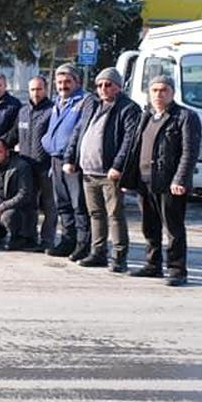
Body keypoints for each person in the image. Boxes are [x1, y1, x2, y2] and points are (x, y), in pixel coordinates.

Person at [122, 75, 202, 286]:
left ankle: (177, 269)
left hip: (170, 183)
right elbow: (135, 147)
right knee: (150, 226)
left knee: (173, 228)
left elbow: (189, 152)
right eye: (155, 90)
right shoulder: (146, 115)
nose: (159, 94)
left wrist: (180, 179)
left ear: (172, 93)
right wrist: (129, 177)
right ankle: (153, 264)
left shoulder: (185, 116)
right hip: (145, 180)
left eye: (163, 90)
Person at [63, 67, 141, 272]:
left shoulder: (128, 108)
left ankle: (119, 256)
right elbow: (78, 132)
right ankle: (98, 253)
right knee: (95, 214)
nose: (103, 89)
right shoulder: (93, 105)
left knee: (115, 215)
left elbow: (129, 141)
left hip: (109, 173)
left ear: (118, 86)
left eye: (108, 84)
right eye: (99, 85)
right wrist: (70, 157)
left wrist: (118, 166)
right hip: (88, 171)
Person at [41, 63, 90, 260]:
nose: (63, 86)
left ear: (77, 82)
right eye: (59, 82)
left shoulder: (84, 101)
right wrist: (46, 142)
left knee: (78, 205)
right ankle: (67, 241)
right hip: (55, 159)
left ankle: (82, 244)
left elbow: (80, 132)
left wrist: (70, 156)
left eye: (67, 82)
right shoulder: (58, 102)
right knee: (62, 204)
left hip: (72, 162)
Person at [14, 75, 56, 251]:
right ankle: (28, 237)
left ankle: (47, 240)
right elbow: (13, 135)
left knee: (49, 205)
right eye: (32, 89)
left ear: (45, 90)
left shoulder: (53, 110)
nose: (36, 93)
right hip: (26, 165)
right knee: (27, 204)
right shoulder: (23, 111)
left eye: (39, 89)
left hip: (45, 166)